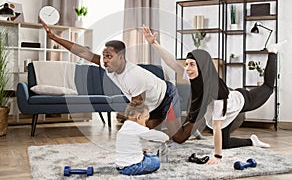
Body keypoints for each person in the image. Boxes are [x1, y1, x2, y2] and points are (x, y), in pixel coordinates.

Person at [142, 25, 284, 164]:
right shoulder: (195, 76)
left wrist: (217, 156)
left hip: (240, 102)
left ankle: (272, 52)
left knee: (268, 88)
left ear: (202, 66)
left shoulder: (216, 93)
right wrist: (154, 43)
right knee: (205, 141)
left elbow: (216, 126)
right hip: (217, 112)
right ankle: (253, 141)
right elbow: (172, 62)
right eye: (187, 64)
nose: (188, 68)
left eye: (192, 65)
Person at [40, 18, 200, 141]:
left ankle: (195, 121)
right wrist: (53, 37)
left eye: (109, 56)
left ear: (121, 57)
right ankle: (172, 121)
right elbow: (82, 52)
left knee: (178, 137)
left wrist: (126, 133)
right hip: (152, 102)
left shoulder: (134, 76)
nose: (105, 61)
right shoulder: (109, 64)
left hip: (166, 96)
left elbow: (137, 110)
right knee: (147, 135)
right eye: (104, 57)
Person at [115, 99, 169, 175]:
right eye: (145, 120)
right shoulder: (137, 127)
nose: (145, 123)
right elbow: (155, 135)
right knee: (155, 161)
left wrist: (139, 150)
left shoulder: (123, 128)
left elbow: (126, 147)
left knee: (146, 155)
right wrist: (166, 137)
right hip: (133, 167)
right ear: (139, 117)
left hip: (120, 167)